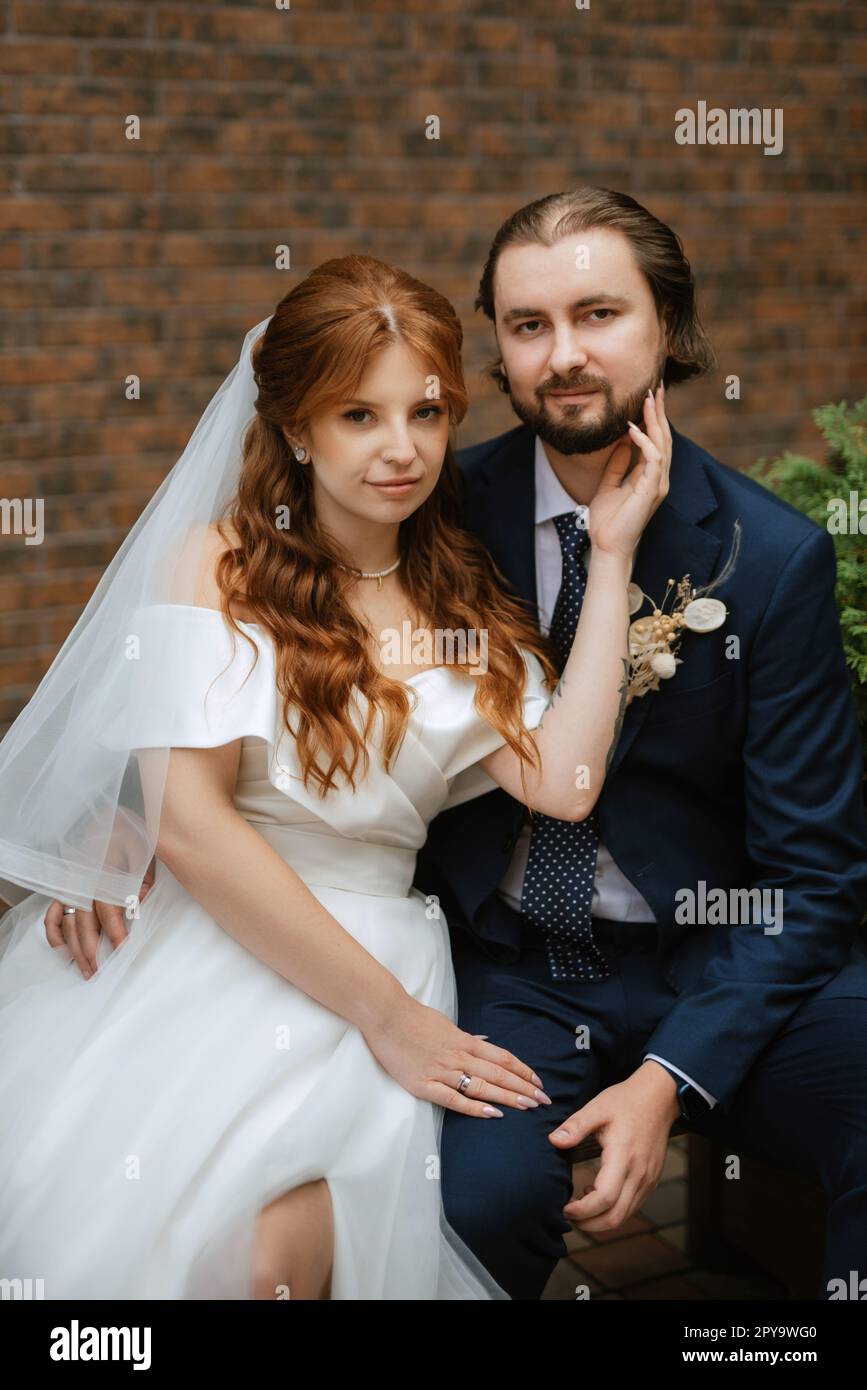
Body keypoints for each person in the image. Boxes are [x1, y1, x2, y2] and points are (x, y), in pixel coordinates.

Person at [0, 253, 670, 1299]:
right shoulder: (214, 564)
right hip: (215, 940)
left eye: (426, 412)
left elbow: (567, 782)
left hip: (387, 944)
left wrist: (614, 553)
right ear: (298, 428)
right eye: (359, 416)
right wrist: (388, 1019)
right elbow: (188, 821)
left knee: (292, 1258)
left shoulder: (462, 602)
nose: (402, 449)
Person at [413, 187, 867, 1300]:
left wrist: (671, 1074)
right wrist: (133, 840)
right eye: (528, 325)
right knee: (473, 1207)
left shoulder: (769, 557)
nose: (563, 355)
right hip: (510, 970)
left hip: (718, 960)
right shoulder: (427, 517)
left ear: (667, 324)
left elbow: (817, 877)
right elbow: (281, 674)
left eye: (598, 314)